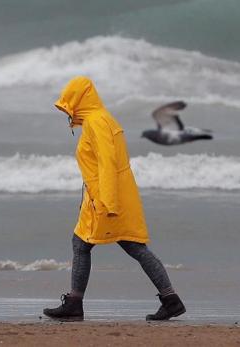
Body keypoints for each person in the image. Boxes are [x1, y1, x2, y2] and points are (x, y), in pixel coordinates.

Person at [43, 76, 185, 321]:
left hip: (107, 198)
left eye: (70, 102)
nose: (68, 110)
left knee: (99, 245)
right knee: (122, 246)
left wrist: (108, 202)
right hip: (106, 196)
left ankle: (75, 303)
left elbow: (108, 164)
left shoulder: (97, 122)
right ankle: (170, 299)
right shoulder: (100, 119)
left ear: (79, 99)